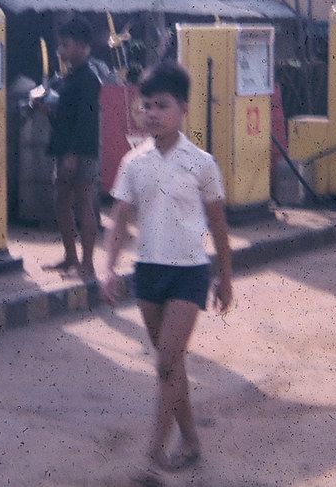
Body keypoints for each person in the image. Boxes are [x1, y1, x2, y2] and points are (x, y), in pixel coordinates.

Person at [99, 60, 233, 477]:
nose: (153, 113)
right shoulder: (133, 163)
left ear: (183, 109)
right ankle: (191, 442)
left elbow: (218, 225)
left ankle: (153, 456)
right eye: (147, 106)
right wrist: (108, 268)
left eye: (163, 105)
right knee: (170, 366)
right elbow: (119, 220)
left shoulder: (201, 164)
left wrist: (225, 278)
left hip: (189, 273)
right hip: (148, 275)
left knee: (166, 364)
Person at [44, 15, 101, 279]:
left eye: (65, 45)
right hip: (65, 149)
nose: (60, 50)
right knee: (60, 203)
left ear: (80, 45)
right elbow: (65, 115)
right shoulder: (70, 76)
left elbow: (86, 120)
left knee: (83, 204)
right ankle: (70, 257)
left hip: (79, 153)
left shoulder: (88, 78)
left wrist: (72, 155)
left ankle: (87, 265)